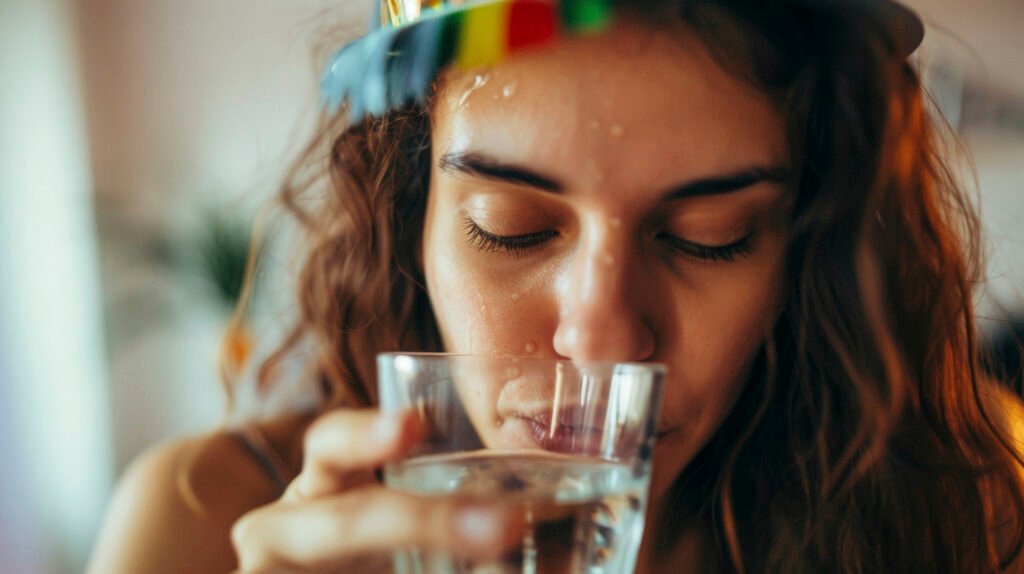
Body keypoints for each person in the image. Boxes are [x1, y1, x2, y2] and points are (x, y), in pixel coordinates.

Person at [88, 0, 1024, 572]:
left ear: (808, 250)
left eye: (710, 239)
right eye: (514, 229)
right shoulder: (198, 523)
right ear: (411, 217)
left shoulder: (969, 513)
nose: (604, 336)